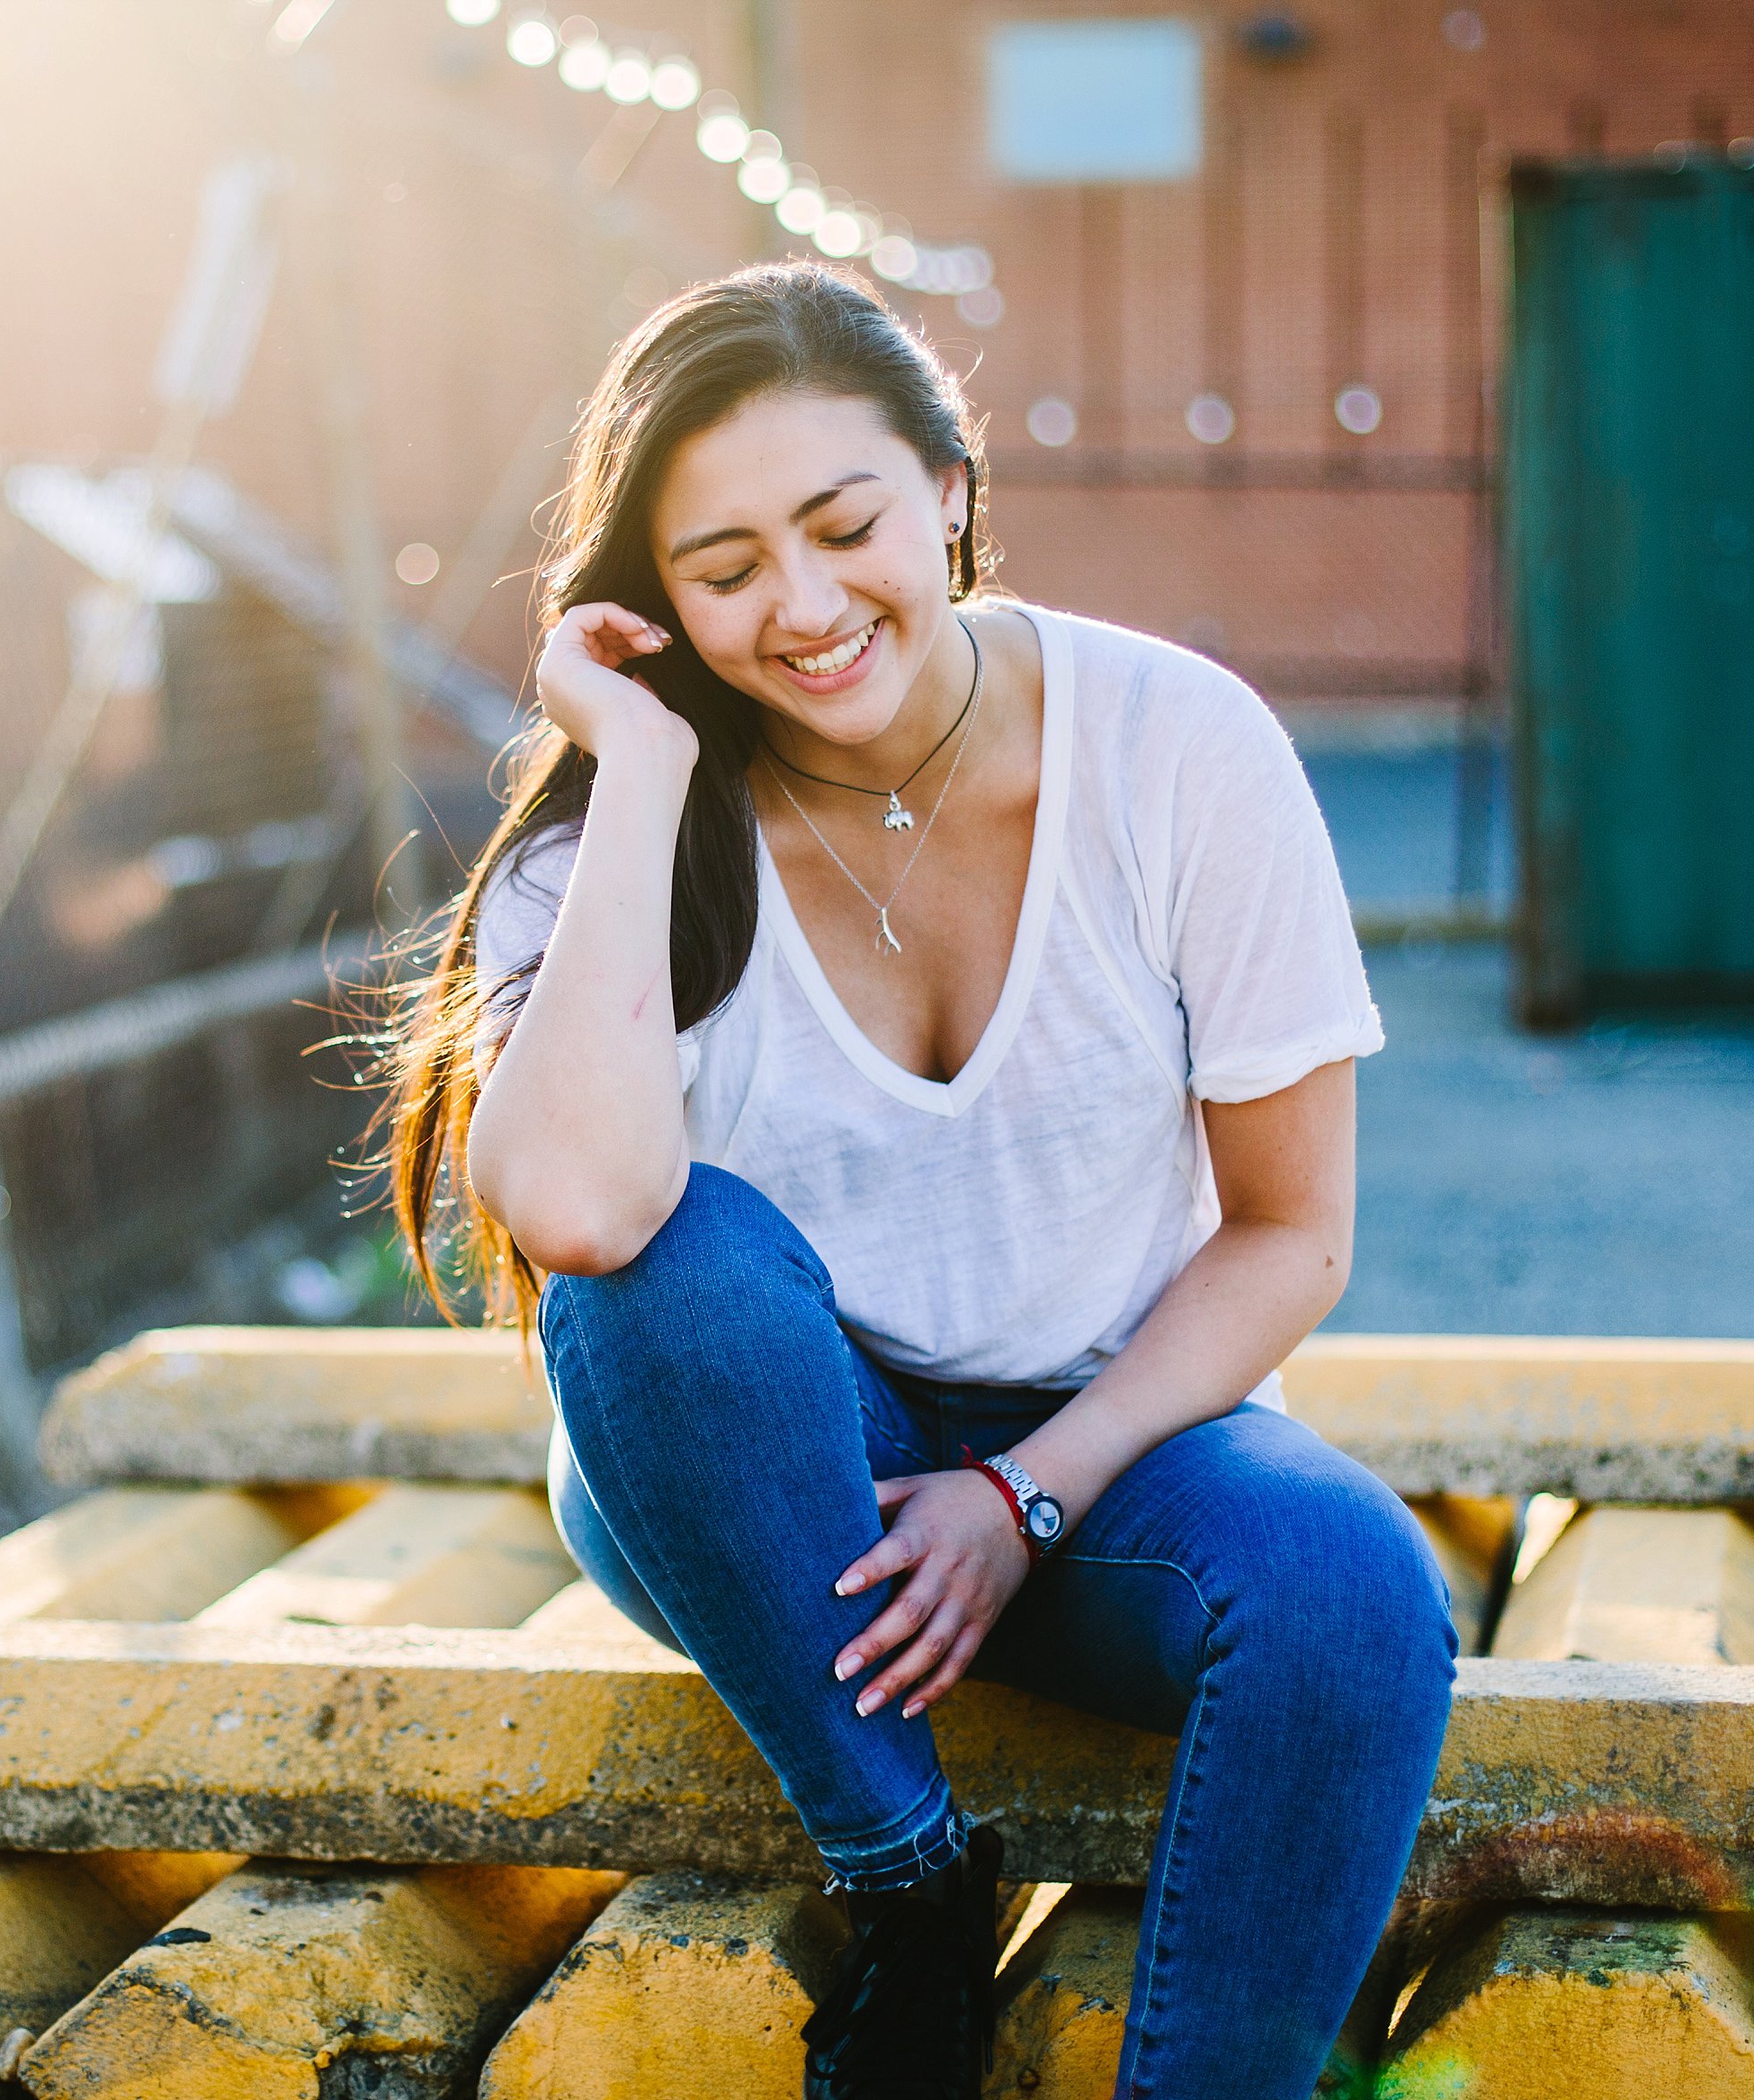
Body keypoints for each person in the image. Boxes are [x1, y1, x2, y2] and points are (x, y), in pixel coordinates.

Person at [381, 261, 1454, 2100]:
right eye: (721, 569)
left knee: (1355, 1593)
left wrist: (1027, 1498)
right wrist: (633, 761)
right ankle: (910, 1888)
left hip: (1121, 1451)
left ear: (948, 489)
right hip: (765, 1494)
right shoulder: (621, 832)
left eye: (843, 524)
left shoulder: (1176, 752)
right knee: (666, 1264)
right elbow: (571, 1222)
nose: (801, 609)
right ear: (654, 598)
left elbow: (1294, 1233)